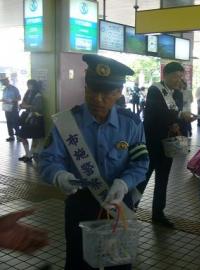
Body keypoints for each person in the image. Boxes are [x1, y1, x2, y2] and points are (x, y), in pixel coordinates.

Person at [39, 54, 149, 270]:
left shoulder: (132, 124)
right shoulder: (67, 122)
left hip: (117, 205)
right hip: (80, 205)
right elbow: (48, 159)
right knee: (78, 262)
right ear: (85, 86)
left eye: (107, 93)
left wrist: (124, 183)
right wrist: (59, 175)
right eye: (93, 90)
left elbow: (141, 163)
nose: (98, 98)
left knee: (118, 262)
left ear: (119, 92)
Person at [137, 62, 195, 228]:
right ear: (165, 75)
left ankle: (158, 213)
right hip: (152, 143)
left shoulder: (177, 94)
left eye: (181, 76)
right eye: (176, 76)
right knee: (143, 177)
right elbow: (157, 113)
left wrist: (177, 124)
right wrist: (178, 116)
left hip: (167, 144)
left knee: (163, 179)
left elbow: (173, 118)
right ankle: (130, 207)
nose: (179, 79)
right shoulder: (155, 90)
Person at [18, 79, 45, 162]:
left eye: (30, 85)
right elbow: (23, 103)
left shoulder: (38, 95)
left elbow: (38, 108)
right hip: (28, 117)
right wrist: (23, 106)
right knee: (22, 136)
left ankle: (30, 154)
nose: (29, 86)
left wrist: (27, 106)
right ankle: (28, 154)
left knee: (34, 137)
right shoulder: (28, 93)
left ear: (34, 85)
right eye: (28, 84)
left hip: (35, 118)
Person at [0, 74, 21, 142]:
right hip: (7, 108)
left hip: (14, 108)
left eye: (3, 81)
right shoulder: (5, 89)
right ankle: (11, 136)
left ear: (7, 81)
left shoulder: (14, 89)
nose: (2, 83)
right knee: (9, 122)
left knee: (15, 122)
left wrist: (10, 100)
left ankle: (18, 136)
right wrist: (2, 100)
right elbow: (4, 98)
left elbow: (19, 98)